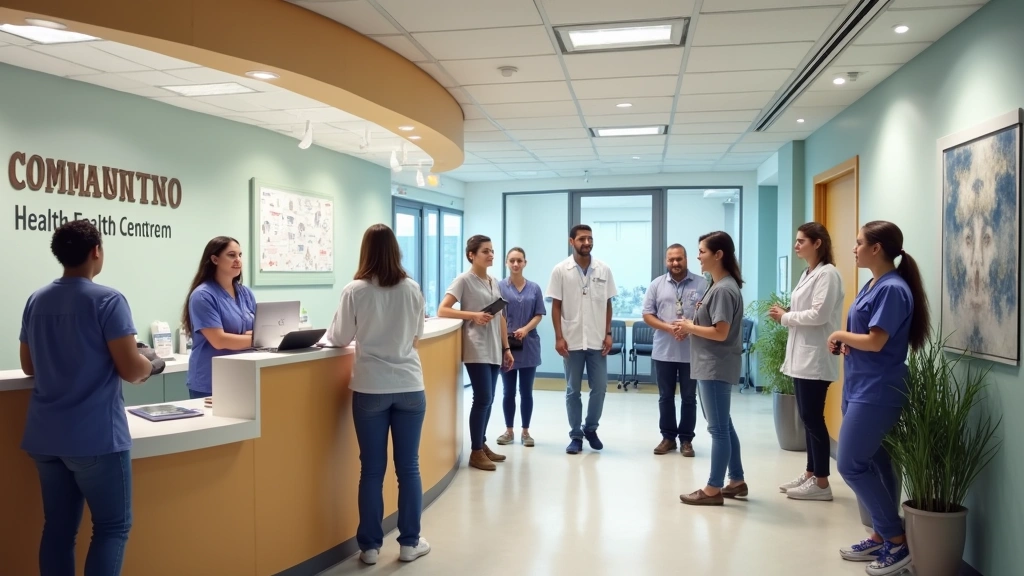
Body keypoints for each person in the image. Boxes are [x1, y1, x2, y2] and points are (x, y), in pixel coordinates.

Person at [19, 219, 163, 576]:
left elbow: (27, 366)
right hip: (95, 438)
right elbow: (131, 370)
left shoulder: (36, 299)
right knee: (112, 528)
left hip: (45, 437)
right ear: (96, 251)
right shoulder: (108, 299)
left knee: (58, 528)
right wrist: (150, 363)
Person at [828, 221, 929, 576]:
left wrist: (841, 333)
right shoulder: (874, 284)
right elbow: (866, 336)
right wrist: (845, 340)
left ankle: (896, 541)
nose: (854, 248)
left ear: (876, 248)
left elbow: (876, 341)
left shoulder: (893, 289)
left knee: (850, 462)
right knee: (875, 462)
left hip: (878, 390)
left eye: (858, 243)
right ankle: (879, 534)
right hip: (860, 385)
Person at [326, 223, 430, 565]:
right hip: (410, 387)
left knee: (371, 470)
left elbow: (339, 338)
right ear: (396, 250)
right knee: (409, 467)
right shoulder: (412, 289)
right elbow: (417, 335)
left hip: (370, 387)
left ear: (365, 251)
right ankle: (409, 544)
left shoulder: (354, 290)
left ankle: (370, 548)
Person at [770, 222, 845, 501]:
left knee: (813, 419)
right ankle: (811, 473)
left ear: (818, 243)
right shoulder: (808, 273)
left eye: (802, 241)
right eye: (797, 240)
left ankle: (822, 483)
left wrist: (785, 317)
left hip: (816, 358)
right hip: (802, 355)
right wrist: (788, 312)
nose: (796, 245)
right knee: (807, 417)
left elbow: (819, 315)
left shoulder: (829, 274)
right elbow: (807, 311)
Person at [676, 231, 747, 506]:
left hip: (715, 367)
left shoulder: (723, 289)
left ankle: (713, 489)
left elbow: (720, 332)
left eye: (702, 251)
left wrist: (689, 327)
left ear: (719, 255)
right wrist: (691, 328)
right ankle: (737, 480)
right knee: (724, 426)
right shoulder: (718, 286)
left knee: (717, 430)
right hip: (711, 365)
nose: (698, 256)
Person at [439, 235, 514, 471]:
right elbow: (443, 310)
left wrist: (506, 348)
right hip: (476, 346)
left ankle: (481, 444)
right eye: (485, 251)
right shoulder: (464, 280)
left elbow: (501, 317)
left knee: (489, 399)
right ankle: (475, 452)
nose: (491, 255)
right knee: (482, 398)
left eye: (492, 251)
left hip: (493, 346)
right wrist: (473, 315)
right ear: (471, 255)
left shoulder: (494, 281)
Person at [546, 224, 617, 455]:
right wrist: (558, 337)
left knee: (600, 388)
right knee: (572, 390)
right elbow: (555, 306)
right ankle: (575, 435)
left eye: (590, 238)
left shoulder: (603, 269)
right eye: (582, 239)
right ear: (571, 241)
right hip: (572, 339)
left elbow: (608, 304)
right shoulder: (560, 270)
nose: (587, 243)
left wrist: (608, 333)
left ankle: (591, 428)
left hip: (597, 340)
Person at [642, 244, 707, 457]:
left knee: (689, 397)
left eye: (679, 259)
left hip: (692, 351)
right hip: (664, 351)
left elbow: (709, 315)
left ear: (686, 259)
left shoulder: (702, 284)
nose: (675, 263)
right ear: (666, 261)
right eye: (671, 260)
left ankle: (686, 440)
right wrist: (670, 328)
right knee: (665, 397)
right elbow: (647, 315)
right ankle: (668, 438)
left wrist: (689, 329)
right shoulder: (656, 285)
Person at [181, 236, 256, 399]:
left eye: (240, 255)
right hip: (211, 381)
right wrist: (259, 340)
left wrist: (254, 336)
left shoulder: (246, 293)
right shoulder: (203, 295)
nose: (238, 260)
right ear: (215, 259)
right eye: (231, 255)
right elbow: (219, 340)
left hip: (242, 377)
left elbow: (257, 329)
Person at [496, 247, 546, 447]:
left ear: (525, 263)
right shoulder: (498, 287)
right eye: (512, 261)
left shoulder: (534, 288)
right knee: (508, 392)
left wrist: (525, 329)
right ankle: (509, 431)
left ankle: (526, 432)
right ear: (507, 263)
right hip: (506, 345)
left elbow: (539, 314)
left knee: (526, 392)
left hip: (529, 345)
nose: (515, 264)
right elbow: (497, 314)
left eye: (519, 260)